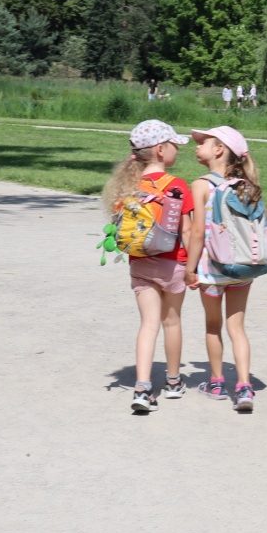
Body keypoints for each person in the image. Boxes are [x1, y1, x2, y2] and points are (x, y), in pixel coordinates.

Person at [103, 119, 195, 413]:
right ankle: (173, 382)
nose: (177, 150)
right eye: (174, 145)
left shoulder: (128, 187)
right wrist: (193, 267)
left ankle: (142, 388)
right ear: (160, 150)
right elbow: (188, 231)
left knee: (148, 324)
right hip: (173, 264)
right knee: (172, 322)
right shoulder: (177, 186)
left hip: (140, 264)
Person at [186, 125, 266, 413]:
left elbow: (197, 232)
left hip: (211, 269)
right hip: (242, 267)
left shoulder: (200, 185)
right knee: (237, 327)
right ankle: (244, 386)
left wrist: (190, 268)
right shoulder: (247, 185)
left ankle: (217, 383)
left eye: (203, 142)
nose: (196, 146)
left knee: (213, 325)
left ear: (219, 150)